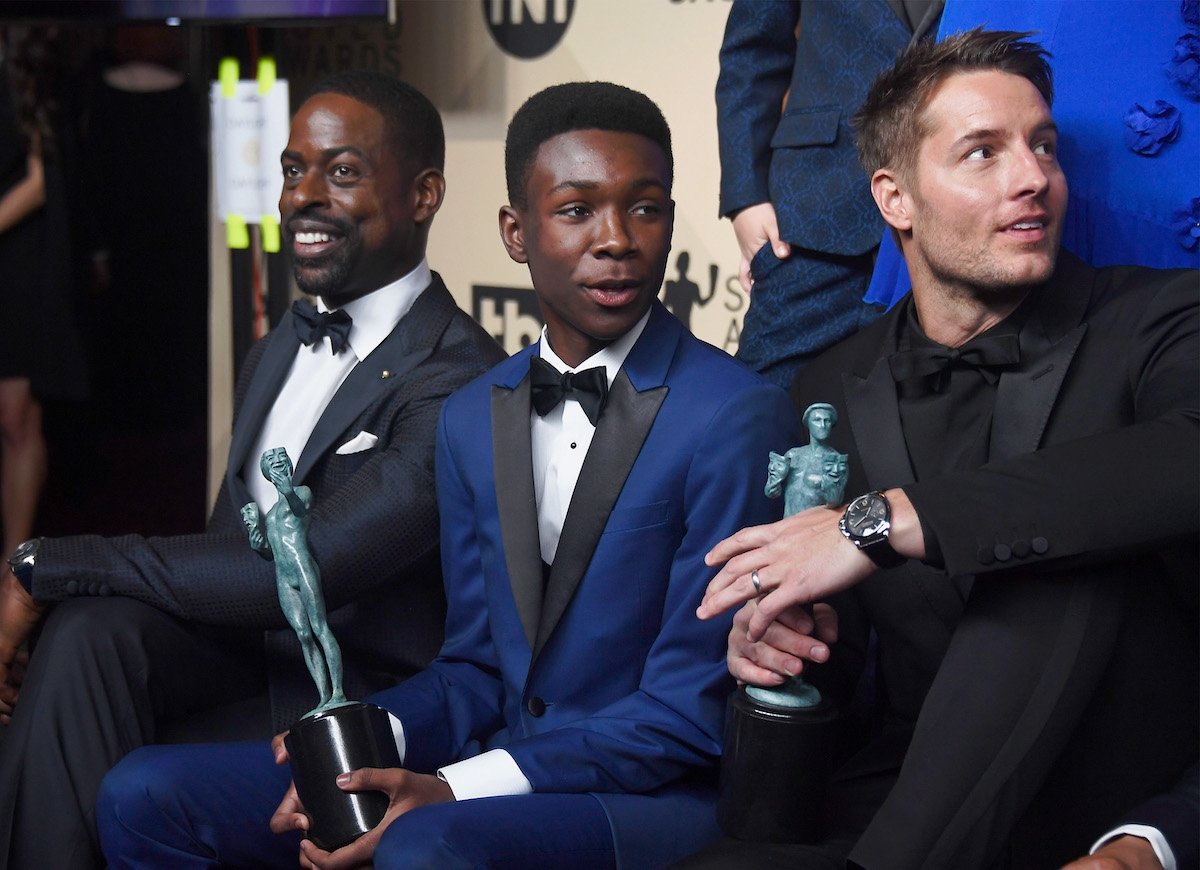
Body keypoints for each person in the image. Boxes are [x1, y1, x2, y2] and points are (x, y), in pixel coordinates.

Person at [96, 81, 802, 870]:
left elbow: (688, 712)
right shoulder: (473, 414)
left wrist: (457, 786)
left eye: (646, 208)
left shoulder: (737, 413)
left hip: (657, 797)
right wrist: (362, 743)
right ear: (515, 231)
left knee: (426, 845)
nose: (617, 240)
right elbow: (473, 664)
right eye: (575, 211)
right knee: (145, 793)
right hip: (502, 762)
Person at [683, 29, 1198, 869]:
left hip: (1116, 809)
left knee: (1042, 565)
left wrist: (885, 520)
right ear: (895, 198)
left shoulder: (1163, 319)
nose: (1033, 177)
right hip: (910, 798)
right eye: (982, 153)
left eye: (1043, 147)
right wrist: (795, 648)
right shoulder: (831, 384)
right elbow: (849, 666)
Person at [0, 70, 505, 870]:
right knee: (90, 635)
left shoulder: (461, 375)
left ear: (424, 194)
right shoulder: (275, 348)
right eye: (292, 170)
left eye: (341, 172)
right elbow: (215, 551)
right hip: (242, 654)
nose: (302, 195)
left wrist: (47, 565)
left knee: (81, 627)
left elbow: (309, 569)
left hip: (350, 694)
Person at [715, 0, 943, 388]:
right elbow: (752, 51)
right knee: (760, 409)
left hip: (956, 205)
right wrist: (746, 197)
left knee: (932, 415)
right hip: (818, 210)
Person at [0, 25, 88, 622]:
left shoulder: (22, 68)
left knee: (16, 420)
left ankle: (12, 565)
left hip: (18, 262)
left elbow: (35, 186)